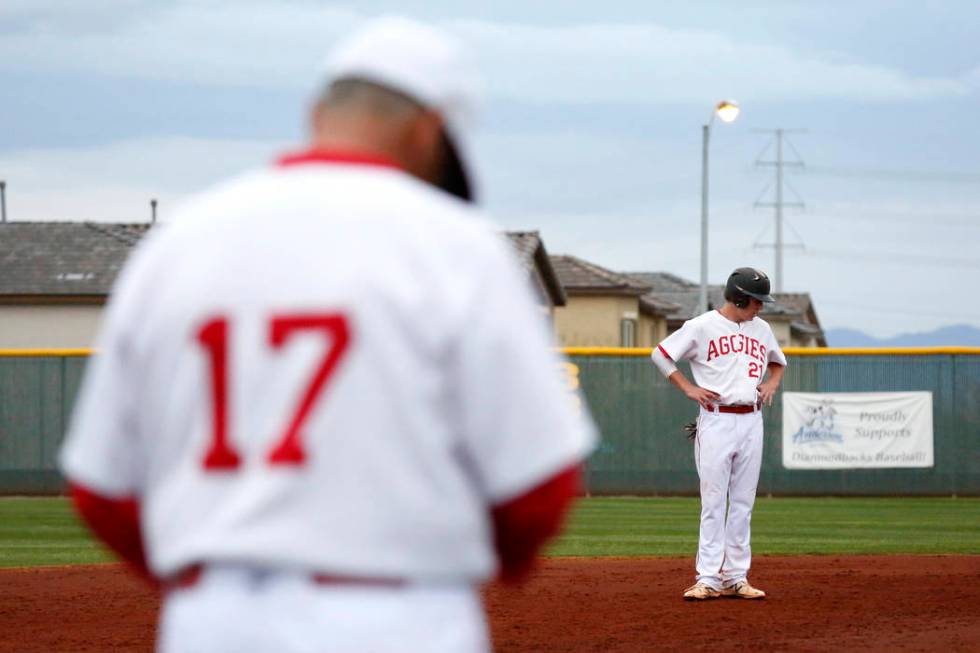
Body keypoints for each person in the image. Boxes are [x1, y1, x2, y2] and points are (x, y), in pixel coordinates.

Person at [59, 17, 596, 653]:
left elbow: (100, 488)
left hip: (215, 622)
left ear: (318, 111)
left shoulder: (178, 243)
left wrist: (208, 581)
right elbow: (538, 492)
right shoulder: (455, 246)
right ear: (430, 130)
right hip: (400, 616)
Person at [650, 267, 786, 601]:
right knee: (713, 502)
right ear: (740, 298)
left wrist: (771, 383)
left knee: (742, 503)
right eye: (756, 301)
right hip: (716, 421)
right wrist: (687, 388)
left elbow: (777, 362)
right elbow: (661, 354)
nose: (761, 308)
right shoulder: (701, 326)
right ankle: (708, 578)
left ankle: (736, 577)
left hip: (751, 421)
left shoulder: (762, 329)